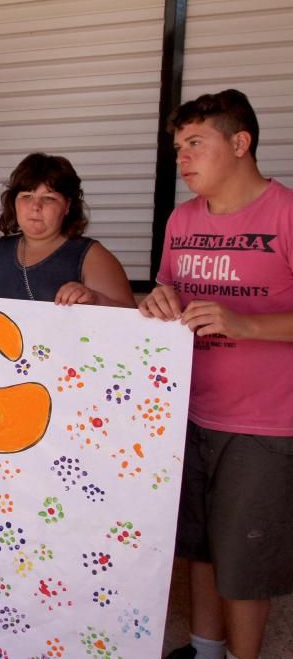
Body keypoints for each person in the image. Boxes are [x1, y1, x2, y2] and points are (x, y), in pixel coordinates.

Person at [139, 90, 293, 659]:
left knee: (245, 557)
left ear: (240, 142)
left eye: (195, 144)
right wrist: (160, 300)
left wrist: (246, 326)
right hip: (188, 407)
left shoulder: (285, 212)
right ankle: (204, 649)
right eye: (179, 147)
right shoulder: (182, 218)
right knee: (199, 546)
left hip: (265, 423)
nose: (182, 158)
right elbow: (170, 289)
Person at [0, 153, 134, 307]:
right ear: (13, 202)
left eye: (48, 198)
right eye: (26, 196)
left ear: (67, 206)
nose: (36, 206)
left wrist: (96, 300)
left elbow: (130, 321)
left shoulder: (90, 256)